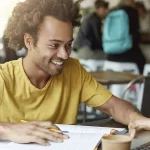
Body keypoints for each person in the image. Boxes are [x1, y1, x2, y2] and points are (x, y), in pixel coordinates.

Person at [1, 0, 150, 146]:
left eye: (68, 45)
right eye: (54, 45)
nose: (65, 55)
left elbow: (113, 106)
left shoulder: (73, 70)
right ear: (28, 41)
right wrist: (7, 129)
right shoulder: (4, 77)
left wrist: (135, 118)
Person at [106, 0, 146, 74]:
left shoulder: (112, 11)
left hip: (110, 54)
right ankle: (140, 83)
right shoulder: (132, 11)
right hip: (127, 54)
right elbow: (136, 35)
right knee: (143, 61)